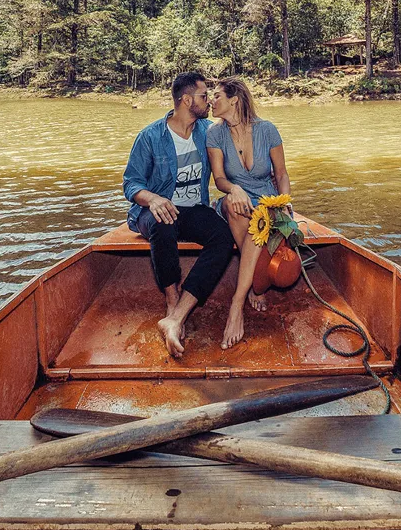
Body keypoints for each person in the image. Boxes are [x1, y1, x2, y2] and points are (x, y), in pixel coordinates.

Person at [122, 71, 234, 358]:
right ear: (186, 100)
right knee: (164, 221)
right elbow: (131, 183)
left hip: (193, 210)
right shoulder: (150, 136)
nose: (209, 101)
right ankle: (171, 301)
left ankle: (177, 316)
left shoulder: (208, 132)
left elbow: (239, 135)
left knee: (222, 236)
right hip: (153, 212)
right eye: (203, 96)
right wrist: (153, 199)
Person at [206, 77, 291, 350]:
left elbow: (281, 174)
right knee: (234, 205)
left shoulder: (267, 130)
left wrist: (285, 203)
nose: (211, 101)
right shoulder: (214, 134)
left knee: (261, 215)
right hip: (236, 200)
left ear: (234, 100)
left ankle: (241, 296)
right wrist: (235, 189)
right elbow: (219, 179)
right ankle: (251, 288)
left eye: (216, 96)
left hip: (267, 202)